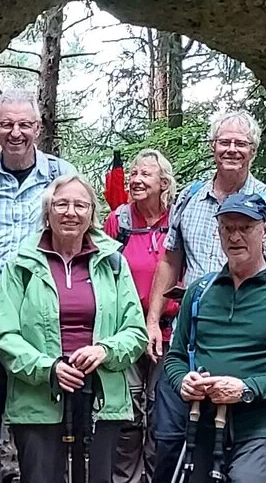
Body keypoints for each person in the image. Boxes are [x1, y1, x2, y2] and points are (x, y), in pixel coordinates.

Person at [144, 111, 266, 481]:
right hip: (194, 328)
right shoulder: (190, 197)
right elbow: (171, 258)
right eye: (225, 142)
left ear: (252, 150)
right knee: (169, 439)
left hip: (249, 335)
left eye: (241, 144)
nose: (232, 149)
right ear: (213, 146)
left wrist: (258, 331)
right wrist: (152, 319)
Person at [0, 90, 76, 483]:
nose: (16, 133)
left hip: (40, 322)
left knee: (39, 426)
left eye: (25, 125)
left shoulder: (61, 175)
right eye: (6, 124)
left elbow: (77, 241)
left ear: (38, 128)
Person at [0, 174, 148, 483]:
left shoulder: (114, 263)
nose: (70, 212)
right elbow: (5, 336)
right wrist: (49, 368)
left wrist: (104, 350)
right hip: (38, 400)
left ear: (92, 214)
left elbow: (135, 331)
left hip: (100, 399)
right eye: (61, 203)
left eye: (80, 205)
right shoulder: (21, 264)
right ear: (47, 212)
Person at [164, 193, 266, 483]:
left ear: (265, 230)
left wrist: (246, 389)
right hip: (203, 424)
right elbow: (175, 357)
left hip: (262, 429)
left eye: (245, 228)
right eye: (227, 227)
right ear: (218, 231)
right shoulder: (199, 292)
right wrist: (183, 381)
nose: (235, 236)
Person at [103, 149, 182, 483]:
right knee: (128, 415)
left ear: (163, 182)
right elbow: (103, 275)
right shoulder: (118, 221)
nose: (135, 179)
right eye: (133, 174)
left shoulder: (178, 219)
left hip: (171, 332)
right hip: (127, 332)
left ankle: (158, 477)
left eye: (144, 174)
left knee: (162, 414)